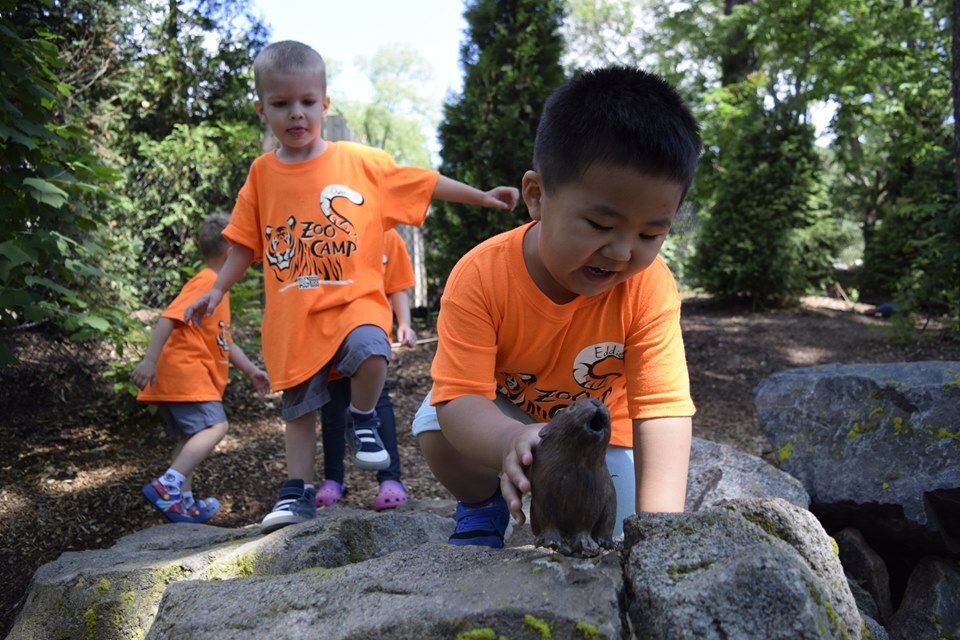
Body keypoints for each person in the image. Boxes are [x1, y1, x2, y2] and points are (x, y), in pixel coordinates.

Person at [182, 40, 518, 534]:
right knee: (299, 409)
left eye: (307, 102)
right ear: (261, 109)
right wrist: (214, 291)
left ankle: (364, 416)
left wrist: (482, 197)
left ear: (325, 102)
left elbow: (423, 181)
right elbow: (243, 246)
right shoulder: (261, 175)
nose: (296, 114)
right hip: (294, 319)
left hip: (354, 303)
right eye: (281, 104)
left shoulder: (360, 163)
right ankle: (296, 492)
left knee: (371, 349)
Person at [412, 66, 703, 548]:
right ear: (537, 196)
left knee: (615, 530)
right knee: (436, 425)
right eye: (599, 224)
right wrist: (507, 440)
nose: (622, 252)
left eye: (651, 234)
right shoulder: (482, 275)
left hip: (598, 437)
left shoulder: (650, 287)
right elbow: (461, 397)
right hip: (506, 416)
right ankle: (483, 505)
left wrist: (660, 534)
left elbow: (663, 410)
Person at [133, 212, 271, 524]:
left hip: (190, 377)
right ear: (229, 255)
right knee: (216, 427)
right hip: (187, 374)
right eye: (245, 253)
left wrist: (251, 371)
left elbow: (225, 340)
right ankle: (167, 485)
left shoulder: (216, 290)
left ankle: (182, 502)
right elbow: (168, 317)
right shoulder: (206, 282)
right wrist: (149, 360)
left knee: (189, 439)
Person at [316, 229, 418, 511]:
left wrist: (404, 323)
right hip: (329, 337)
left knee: (378, 405)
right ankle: (333, 480)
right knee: (333, 409)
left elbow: (397, 286)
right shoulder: (325, 233)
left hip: (371, 340)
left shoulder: (390, 237)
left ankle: (390, 479)